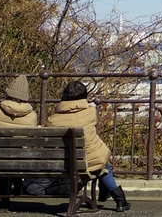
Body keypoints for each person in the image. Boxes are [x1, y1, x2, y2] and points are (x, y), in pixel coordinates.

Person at [46, 80, 129, 212]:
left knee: (100, 161)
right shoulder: (91, 112)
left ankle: (111, 196)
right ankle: (120, 200)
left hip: (67, 163)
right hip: (89, 160)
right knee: (103, 164)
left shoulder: (52, 119)